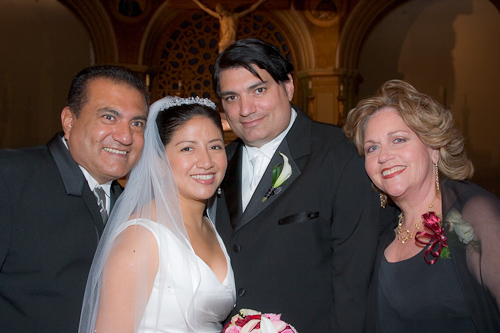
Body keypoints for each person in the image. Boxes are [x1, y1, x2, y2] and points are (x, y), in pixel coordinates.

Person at [212, 38, 393, 332]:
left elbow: (354, 280)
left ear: (288, 86)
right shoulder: (217, 163)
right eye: (231, 97)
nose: (246, 109)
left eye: (259, 90)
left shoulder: (340, 155)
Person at [0, 65, 149, 332]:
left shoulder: (132, 204)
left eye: (136, 123)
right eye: (109, 117)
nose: (125, 136)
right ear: (69, 121)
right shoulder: (11, 177)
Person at [343, 79, 500, 332]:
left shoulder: (471, 217)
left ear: (434, 149)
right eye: (372, 148)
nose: (383, 156)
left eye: (399, 140)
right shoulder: (383, 232)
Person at [79, 96, 236, 332]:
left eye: (215, 147)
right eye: (187, 148)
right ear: (159, 162)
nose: (206, 162)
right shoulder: (140, 239)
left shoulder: (213, 227)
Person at [192, 0, 266, 53]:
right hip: (223, 43)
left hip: (232, 42)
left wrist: (260, 1)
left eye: (222, 11)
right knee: (222, 63)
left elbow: (250, 9)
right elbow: (206, 9)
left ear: (225, 9)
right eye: (220, 12)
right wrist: (196, 1)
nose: (222, 13)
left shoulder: (235, 16)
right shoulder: (221, 18)